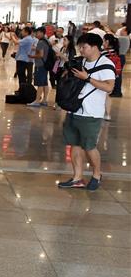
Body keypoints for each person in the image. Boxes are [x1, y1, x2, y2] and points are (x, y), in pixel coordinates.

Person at [58, 33, 115, 190]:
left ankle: (96, 175)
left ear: (95, 47)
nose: (81, 50)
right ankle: (77, 177)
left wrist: (88, 78)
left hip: (91, 113)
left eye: (84, 47)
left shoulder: (106, 64)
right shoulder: (80, 61)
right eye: (80, 47)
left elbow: (109, 87)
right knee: (74, 145)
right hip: (73, 109)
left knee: (89, 147)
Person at [28, 27, 52, 107]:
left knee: (40, 84)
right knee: (45, 83)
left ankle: (37, 101)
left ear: (42, 33)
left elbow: (41, 55)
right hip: (45, 64)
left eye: (37, 33)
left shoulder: (41, 42)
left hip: (40, 65)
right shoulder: (46, 41)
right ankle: (44, 100)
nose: (36, 34)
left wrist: (32, 56)